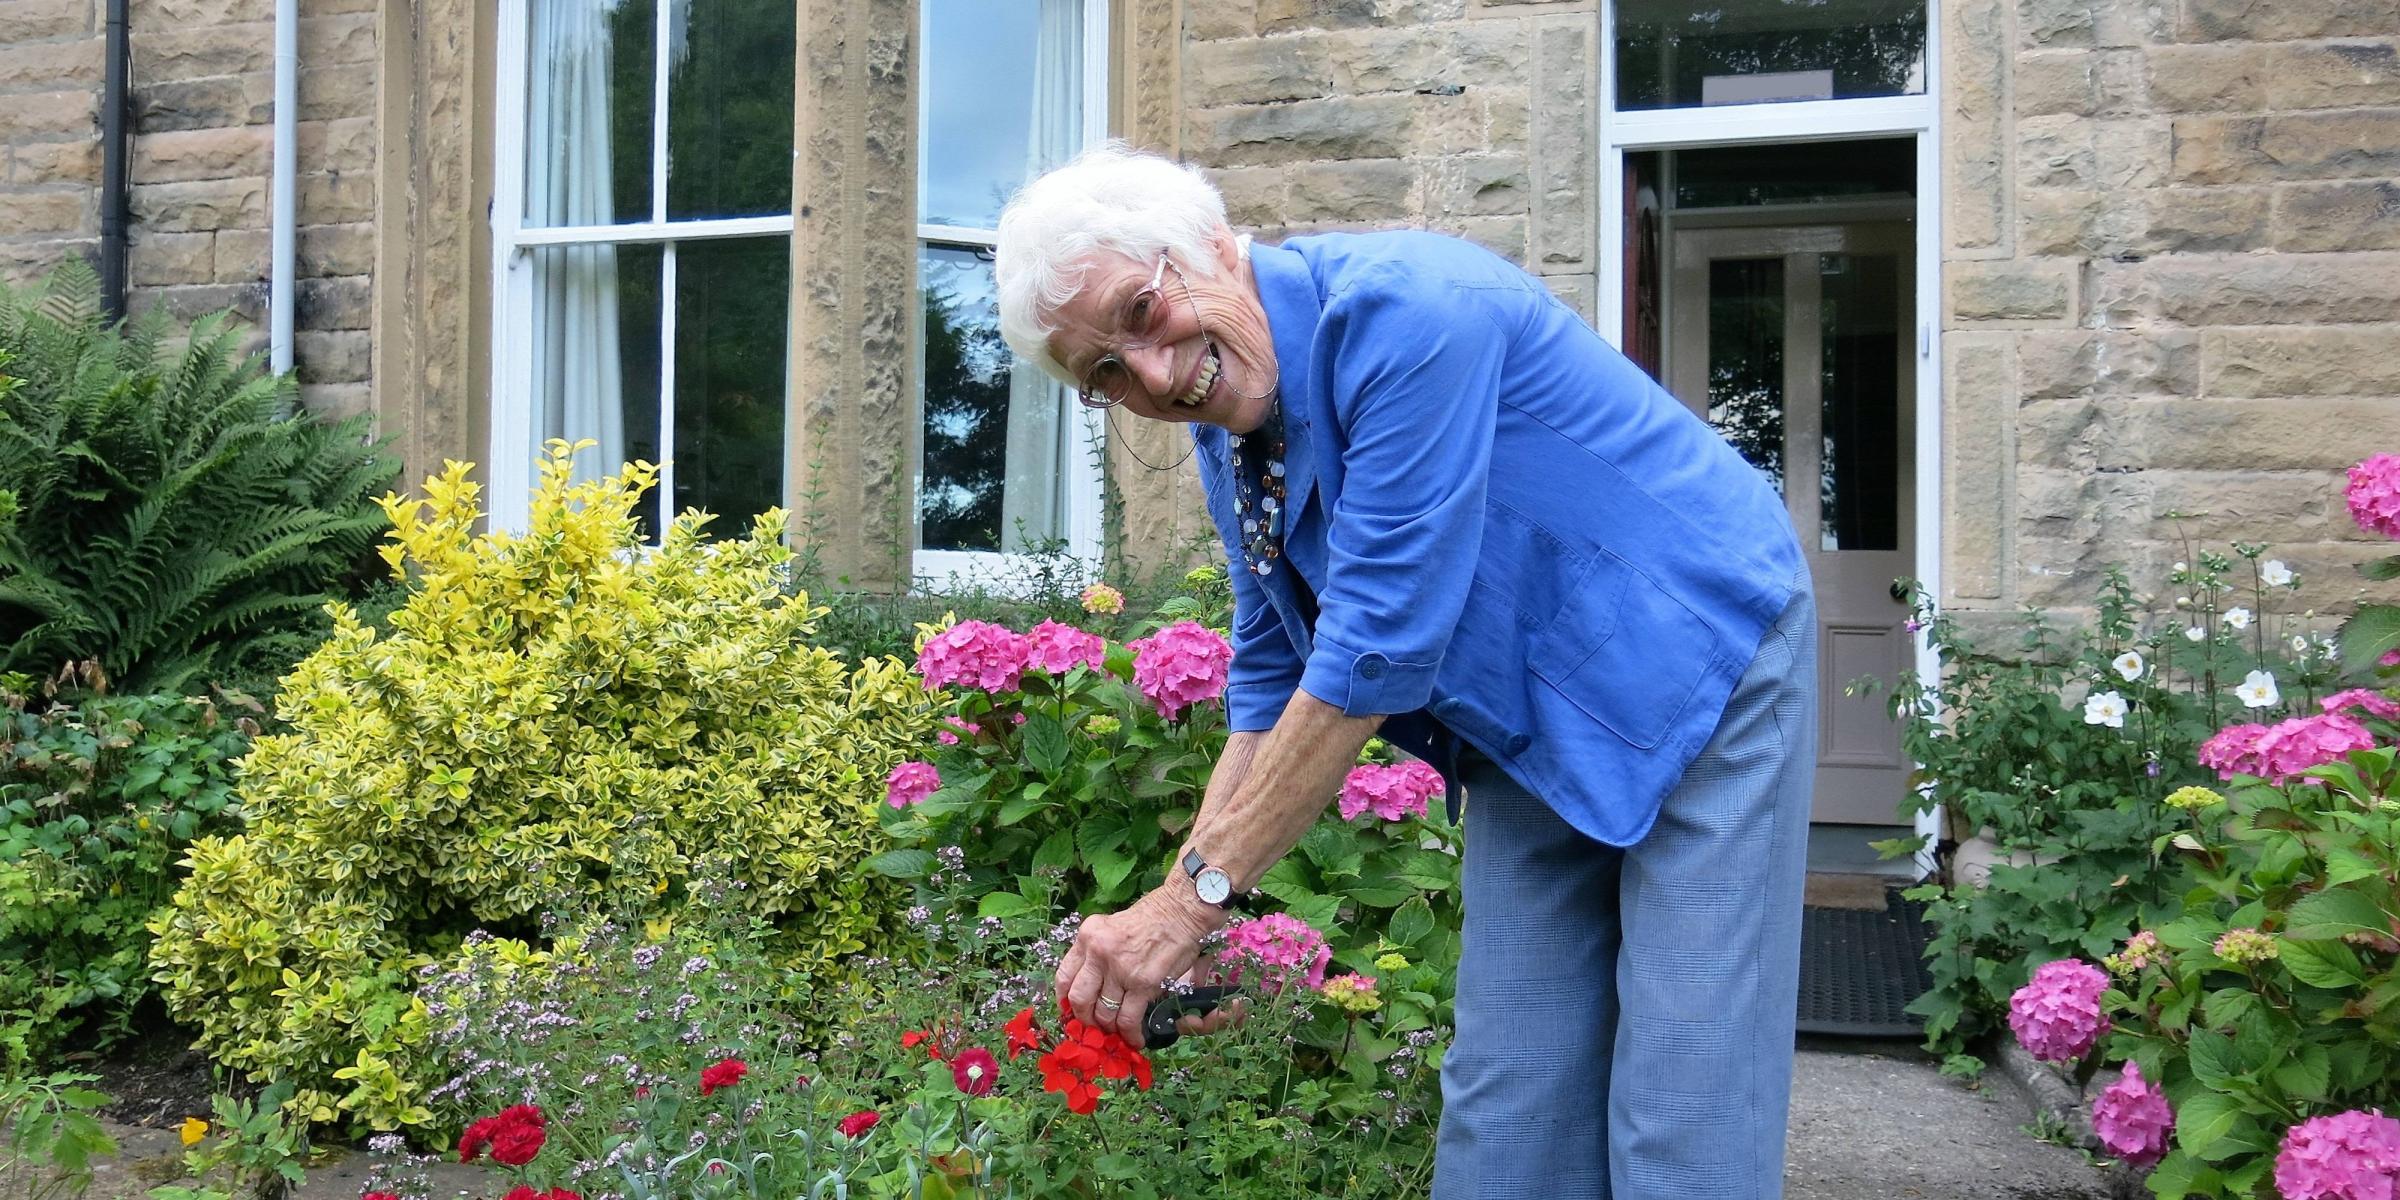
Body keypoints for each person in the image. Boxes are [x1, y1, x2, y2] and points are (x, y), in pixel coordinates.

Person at [992, 142, 1818, 1199]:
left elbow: (1374, 649)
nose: (1150, 376)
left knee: (1679, 1106)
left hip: (1702, 656)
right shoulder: (1236, 435)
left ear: (1206, 243)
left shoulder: (1410, 312)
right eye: (1104, 373)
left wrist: (1188, 904)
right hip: (1533, 712)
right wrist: (1192, 905)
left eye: (1141, 314)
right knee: (1508, 1105)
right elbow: (1270, 670)